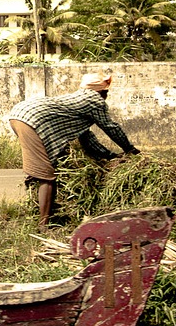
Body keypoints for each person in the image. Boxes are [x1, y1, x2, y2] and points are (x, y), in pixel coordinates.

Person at [7, 73, 140, 230]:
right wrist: (130, 149)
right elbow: (111, 128)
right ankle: (43, 225)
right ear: (100, 92)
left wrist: (111, 156)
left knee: (44, 164)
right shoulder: (94, 101)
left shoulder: (79, 100)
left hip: (21, 114)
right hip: (30, 120)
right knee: (47, 175)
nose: (107, 94)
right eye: (106, 91)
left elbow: (87, 138)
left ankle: (40, 209)